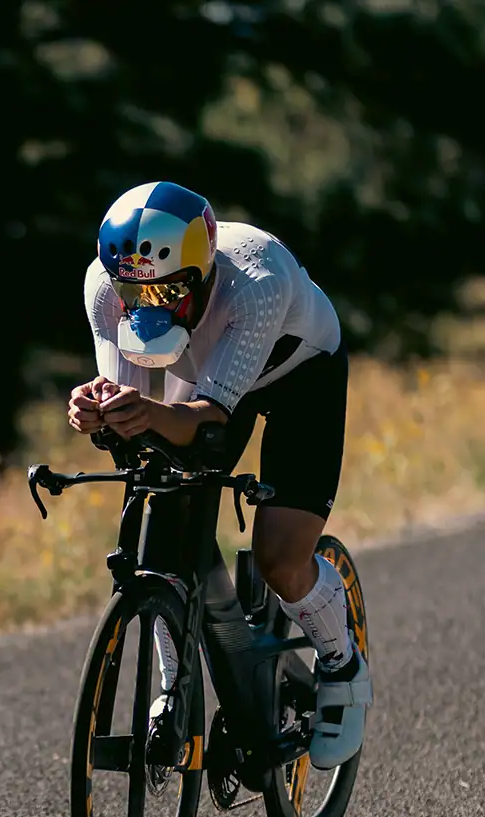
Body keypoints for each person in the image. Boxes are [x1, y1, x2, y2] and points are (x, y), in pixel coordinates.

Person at [66, 180, 371, 770]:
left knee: (280, 556)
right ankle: (172, 687)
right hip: (205, 373)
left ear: (204, 268)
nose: (149, 303)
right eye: (136, 291)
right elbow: (128, 405)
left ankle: (343, 665)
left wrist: (147, 412)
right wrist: (96, 410)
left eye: (170, 288)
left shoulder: (255, 283)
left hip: (296, 372)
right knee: (166, 513)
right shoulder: (103, 287)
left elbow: (208, 419)